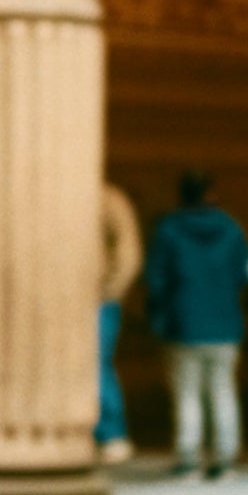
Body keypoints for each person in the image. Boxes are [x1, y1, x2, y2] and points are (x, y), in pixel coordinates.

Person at [144, 171, 248, 481]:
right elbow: (243, 274)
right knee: (223, 391)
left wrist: (160, 315)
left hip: (184, 323)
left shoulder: (169, 230)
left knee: (187, 394)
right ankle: (224, 458)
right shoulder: (231, 229)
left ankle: (188, 458)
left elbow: (156, 279)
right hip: (225, 323)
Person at [96, 182, 143, 465]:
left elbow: (128, 252)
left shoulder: (109, 199)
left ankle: (111, 433)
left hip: (97, 299)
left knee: (96, 364)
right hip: (58, 299)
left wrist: (109, 291)